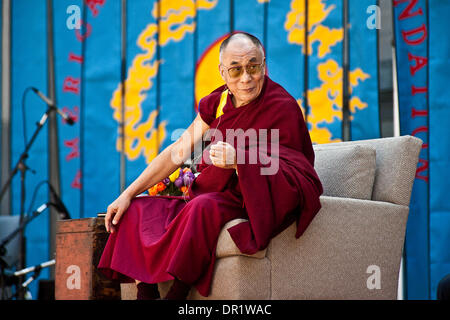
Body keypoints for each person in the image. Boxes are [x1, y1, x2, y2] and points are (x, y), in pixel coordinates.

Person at [97, 32, 323, 300]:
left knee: (202, 208)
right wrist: (128, 193)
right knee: (136, 209)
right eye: (236, 70)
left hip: (248, 199)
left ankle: (178, 293)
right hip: (207, 191)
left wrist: (240, 161)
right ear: (222, 72)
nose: (246, 78)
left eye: (254, 67)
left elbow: (297, 170)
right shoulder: (217, 103)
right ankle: (146, 291)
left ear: (264, 65)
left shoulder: (282, 106)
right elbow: (176, 153)